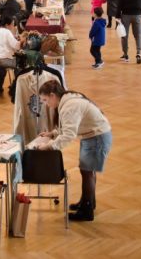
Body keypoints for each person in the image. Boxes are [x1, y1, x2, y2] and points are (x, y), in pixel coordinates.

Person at [37, 81, 112, 222]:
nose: (46, 104)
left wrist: (49, 146)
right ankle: (87, 202)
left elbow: (68, 135)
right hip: (93, 136)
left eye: (45, 100)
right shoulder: (68, 100)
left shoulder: (69, 106)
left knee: (87, 172)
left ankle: (87, 211)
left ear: (52, 95)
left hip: (97, 137)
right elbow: (69, 125)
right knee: (86, 171)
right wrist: (52, 134)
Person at [0, 15, 24, 93]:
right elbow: (17, 46)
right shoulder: (7, 32)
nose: (13, 26)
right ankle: (15, 86)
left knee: (2, 67)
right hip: (3, 60)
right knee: (20, 64)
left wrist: (14, 38)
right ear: (7, 25)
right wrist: (21, 41)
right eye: (12, 24)